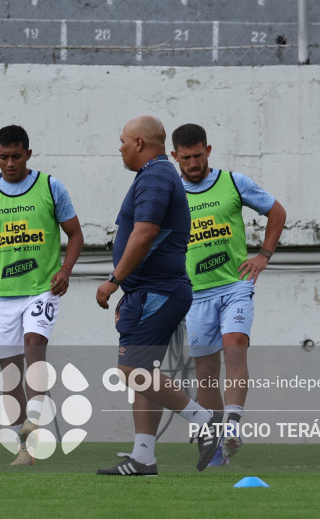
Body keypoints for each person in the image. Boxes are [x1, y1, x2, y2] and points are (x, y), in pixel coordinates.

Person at [95, 115, 222, 476]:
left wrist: (114, 280)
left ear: (138, 143)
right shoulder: (154, 175)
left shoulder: (155, 175)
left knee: (132, 371)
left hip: (158, 290)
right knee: (144, 373)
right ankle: (143, 457)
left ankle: (205, 420)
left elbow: (145, 232)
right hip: (149, 290)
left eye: (122, 140)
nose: (119, 147)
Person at [0, 125, 83, 466]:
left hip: (42, 289)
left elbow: (75, 235)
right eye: (3, 157)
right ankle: (24, 447)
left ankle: (34, 421)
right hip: (2, 294)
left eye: (16, 156)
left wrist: (66, 270)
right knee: (9, 371)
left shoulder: (50, 186)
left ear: (29, 154)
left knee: (34, 346)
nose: (10, 163)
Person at [171, 123, 286, 466]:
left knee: (235, 345)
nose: (193, 164)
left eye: (198, 156)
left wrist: (263, 256)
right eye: (186, 158)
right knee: (206, 370)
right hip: (195, 294)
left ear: (209, 150)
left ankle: (233, 427)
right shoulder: (170, 193)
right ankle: (216, 442)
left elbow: (276, 212)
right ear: (174, 157)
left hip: (236, 285)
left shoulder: (234, 182)